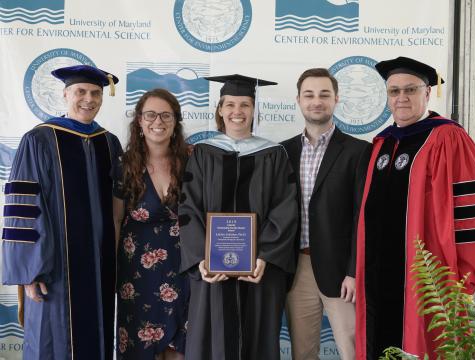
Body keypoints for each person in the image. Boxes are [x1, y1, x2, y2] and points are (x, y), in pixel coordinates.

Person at [355, 56, 475, 359]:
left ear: (427, 93)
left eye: (410, 89)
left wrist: (465, 278)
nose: (401, 98)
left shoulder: (449, 138)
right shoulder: (382, 143)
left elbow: (470, 211)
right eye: (394, 91)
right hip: (376, 275)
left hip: (429, 281)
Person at [2, 65, 122, 359]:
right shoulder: (40, 140)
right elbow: (22, 209)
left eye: (96, 93)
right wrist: (30, 271)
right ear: (65, 94)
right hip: (54, 270)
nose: (88, 99)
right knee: (52, 341)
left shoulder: (109, 142)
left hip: (99, 268)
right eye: (80, 91)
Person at [179, 74, 298, 359]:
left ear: (254, 109)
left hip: (259, 271)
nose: (237, 111)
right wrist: (201, 258)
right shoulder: (203, 154)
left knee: (257, 338)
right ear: (220, 109)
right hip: (212, 271)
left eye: (244, 104)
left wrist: (265, 256)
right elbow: (188, 208)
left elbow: (286, 208)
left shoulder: (274, 155)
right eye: (230, 104)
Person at [281, 68, 370, 360]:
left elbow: (362, 216)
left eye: (324, 94)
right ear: (298, 99)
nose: (316, 101)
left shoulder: (358, 152)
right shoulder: (283, 152)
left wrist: (354, 271)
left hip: (341, 272)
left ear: (336, 99)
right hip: (297, 270)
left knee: (352, 350)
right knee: (302, 353)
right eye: (309, 94)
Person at [114, 88, 190, 360]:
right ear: (139, 121)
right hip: (137, 275)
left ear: (175, 121)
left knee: (180, 348)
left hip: (183, 268)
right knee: (140, 349)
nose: (158, 121)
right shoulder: (123, 166)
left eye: (166, 115)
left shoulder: (191, 162)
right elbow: (116, 219)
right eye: (151, 115)